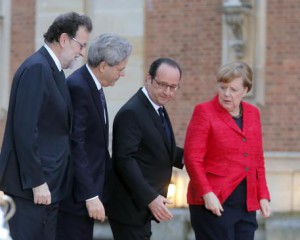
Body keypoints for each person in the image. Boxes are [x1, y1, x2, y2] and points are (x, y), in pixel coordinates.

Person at [0, 12, 92, 240]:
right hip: (31, 188)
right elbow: (24, 129)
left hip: (48, 187)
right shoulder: (37, 69)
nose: (82, 52)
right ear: (63, 39)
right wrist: (37, 181)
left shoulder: (54, 71)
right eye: (81, 45)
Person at [55, 33, 132, 240]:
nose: (122, 74)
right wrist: (90, 195)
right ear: (104, 66)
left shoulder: (92, 85)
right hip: (75, 199)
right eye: (120, 69)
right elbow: (76, 145)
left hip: (88, 195)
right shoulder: (79, 87)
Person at [184, 61, 271, 240]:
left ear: (246, 90)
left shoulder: (253, 113)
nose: (226, 94)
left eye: (233, 89)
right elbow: (192, 158)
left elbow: (257, 159)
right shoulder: (204, 112)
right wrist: (207, 194)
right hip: (213, 202)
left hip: (246, 203)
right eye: (223, 87)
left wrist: (262, 195)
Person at [105, 57, 184, 240]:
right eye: (162, 84)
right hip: (130, 208)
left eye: (173, 87)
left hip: (141, 209)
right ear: (148, 79)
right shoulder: (132, 112)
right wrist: (150, 198)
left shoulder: (156, 107)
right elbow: (124, 160)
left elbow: (159, 148)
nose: (167, 92)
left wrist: (191, 157)